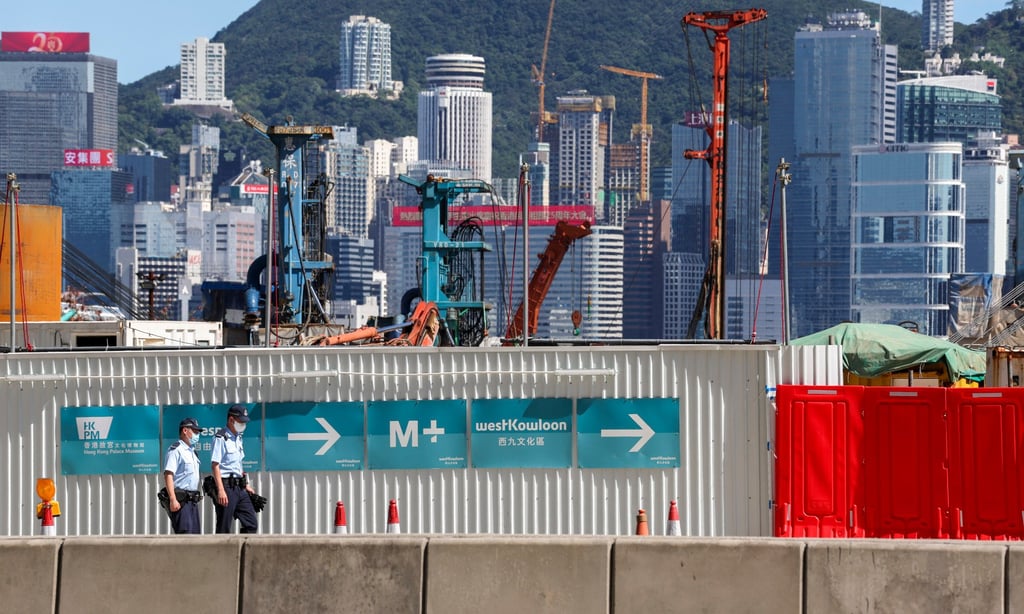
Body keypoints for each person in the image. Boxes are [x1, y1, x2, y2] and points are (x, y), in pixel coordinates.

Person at [210, 403, 258, 533]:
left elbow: (238, 464)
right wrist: (220, 490)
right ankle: (222, 553)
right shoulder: (221, 438)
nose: (243, 424)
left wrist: (246, 484)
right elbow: (215, 465)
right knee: (224, 527)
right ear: (231, 420)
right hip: (226, 487)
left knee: (251, 524)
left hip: (239, 487)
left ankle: (244, 551)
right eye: (240, 421)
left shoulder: (238, 438)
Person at [162, 417, 203, 534]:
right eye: (195, 431)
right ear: (185, 431)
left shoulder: (193, 452)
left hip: (192, 502)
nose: (197, 435)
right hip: (181, 502)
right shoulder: (175, 450)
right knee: (185, 536)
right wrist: (173, 499)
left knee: (195, 538)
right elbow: (168, 475)